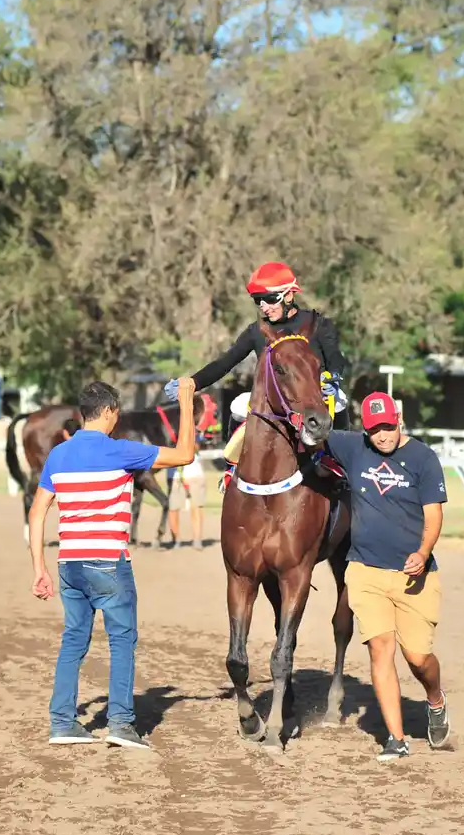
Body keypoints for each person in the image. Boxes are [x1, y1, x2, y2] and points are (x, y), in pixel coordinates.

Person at [28, 377, 198, 749]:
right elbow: (185, 454)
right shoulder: (121, 451)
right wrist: (186, 401)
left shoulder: (59, 454)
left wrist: (39, 567)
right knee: (121, 641)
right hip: (108, 561)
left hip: (69, 562)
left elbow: (37, 512)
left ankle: (62, 723)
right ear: (107, 411)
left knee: (74, 640)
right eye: (115, 412)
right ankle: (120, 724)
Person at [325, 392, 450, 762]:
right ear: (365, 429)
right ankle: (397, 739)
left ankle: (435, 699)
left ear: (399, 419)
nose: (382, 435)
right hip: (365, 571)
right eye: (375, 429)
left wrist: (423, 552)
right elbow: (310, 430)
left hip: (415, 576)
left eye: (388, 426)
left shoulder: (423, 458)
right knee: (380, 649)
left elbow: (434, 514)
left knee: (418, 658)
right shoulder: (354, 448)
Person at [166, 261, 349, 424]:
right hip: (272, 402)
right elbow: (225, 362)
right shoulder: (256, 331)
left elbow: (334, 356)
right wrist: (192, 383)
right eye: (258, 300)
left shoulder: (318, 324)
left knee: (339, 400)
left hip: (314, 395)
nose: (264, 307)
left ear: (289, 296)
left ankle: (340, 451)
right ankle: (233, 454)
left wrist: (333, 376)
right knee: (238, 405)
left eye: (270, 299)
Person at [166, 456, 207, 549]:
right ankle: (176, 539)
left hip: (194, 475)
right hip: (174, 477)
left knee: (196, 507)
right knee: (172, 508)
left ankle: (197, 539)